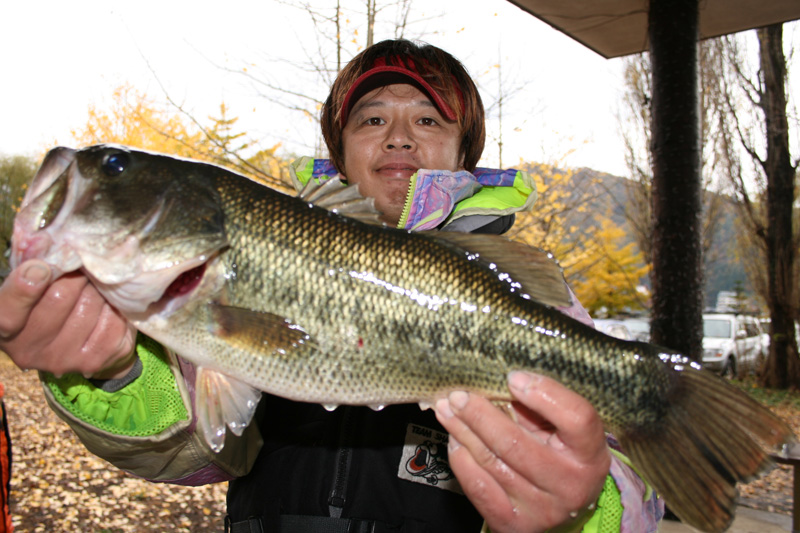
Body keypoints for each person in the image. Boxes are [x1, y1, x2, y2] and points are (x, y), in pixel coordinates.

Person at [0, 39, 662, 532]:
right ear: (338, 151)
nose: (399, 135)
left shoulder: (525, 292)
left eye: (429, 119)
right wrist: (111, 372)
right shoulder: (194, 288)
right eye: (371, 119)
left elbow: (640, 496)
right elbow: (198, 453)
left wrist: (585, 510)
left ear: (466, 153)